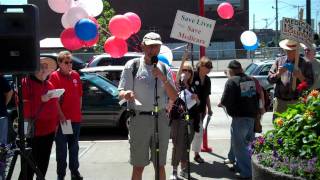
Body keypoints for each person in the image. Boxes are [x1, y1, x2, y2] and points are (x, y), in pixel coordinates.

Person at [118, 32, 177, 180]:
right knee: (139, 165)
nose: (153, 49)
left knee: (160, 165)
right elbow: (120, 92)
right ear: (143, 46)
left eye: (156, 46)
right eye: (150, 46)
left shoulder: (164, 67)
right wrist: (126, 94)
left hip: (161, 119)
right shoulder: (132, 65)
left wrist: (163, 78)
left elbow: (174, 96)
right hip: (139, 120)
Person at [19, 57, 59, 180]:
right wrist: (40, 100)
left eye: (46, 68)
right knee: (29, 162)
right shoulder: (25, 83)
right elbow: (22, 107)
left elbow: (54, 107)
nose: (44, 70)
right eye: (41, 67)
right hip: (33, 129)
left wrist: (56, 124)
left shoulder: (50, 84)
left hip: (49, 130)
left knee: (44, 161)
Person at [219, 60, 259, 179]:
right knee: (248, 146)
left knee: (240, 147)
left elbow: (225, 100)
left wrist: (223, 104)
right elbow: (253, 98)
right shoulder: (250, 79)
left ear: (231, 71)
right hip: (251, 118)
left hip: (239, 119)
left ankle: (247, 173)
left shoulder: (231, 81)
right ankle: (242, 167)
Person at [49, 51, 83, 180]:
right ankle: (61, 175)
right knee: (62, 150)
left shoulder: (75, 75)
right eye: (66, 62)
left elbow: (79, 95)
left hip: (75, 119)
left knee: (74, 148)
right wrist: (61, 116)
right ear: (59, 63)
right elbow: (54, 100)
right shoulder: (54, 77)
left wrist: (79, 111)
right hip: (63, 120)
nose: (70, 65)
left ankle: (74, 172)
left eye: (71, 62)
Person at [169, 59, 200, 180]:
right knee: (177, 145)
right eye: (184, 70)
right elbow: (177, 79)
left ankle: (184, 169)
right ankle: (174, 170)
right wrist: (184, 58)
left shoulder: (193, 87)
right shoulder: (177, 85)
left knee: (186, 145)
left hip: (191, 119)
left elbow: (198, 103)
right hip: (178, 119)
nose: (186, 72)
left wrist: (196, 99)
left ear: (192, 74)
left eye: (189, 71)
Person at [268, 39, 314, 116]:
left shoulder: (306, 64)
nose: (290, 52)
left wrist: (300, 76)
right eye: (288, 50)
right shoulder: (279, 61)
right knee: (279, 125)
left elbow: (310, 84)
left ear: (297, 50)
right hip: (280, 102)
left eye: (293, 50)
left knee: (295, 127)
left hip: (297, 103)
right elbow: (270, 80)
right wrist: (278, 74)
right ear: (285, 49)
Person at [191, 56, 213, 163]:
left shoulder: (208, 79)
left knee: (198, 132)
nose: (209, 69)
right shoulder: (192, 75)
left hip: (201, 110)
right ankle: (183, 157)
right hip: (190, 110)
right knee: (188, 133)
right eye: (207, 66)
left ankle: (196, 154)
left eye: (210, 67)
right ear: (201, 66)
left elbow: (207, 95)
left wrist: (209, 108)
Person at [0, 74, 13, 179]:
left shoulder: (1, 78)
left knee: (1, 146)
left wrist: (4, 104)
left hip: (1, 116)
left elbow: (9, 91)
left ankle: (2, 174)